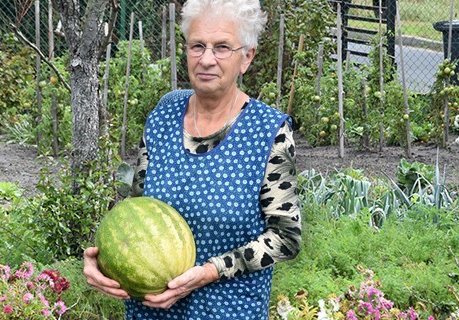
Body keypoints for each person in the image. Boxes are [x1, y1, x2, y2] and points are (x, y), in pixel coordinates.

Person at [83, 0, 301, 318]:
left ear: (247, 56)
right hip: (149, 312)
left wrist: (211, 271)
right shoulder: (164, 115)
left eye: (222, 47)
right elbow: (134, 208)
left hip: (227, 311)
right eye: (197, 45)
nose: (206, 59)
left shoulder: (269, 131)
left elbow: (286, 236)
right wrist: (100, 260)